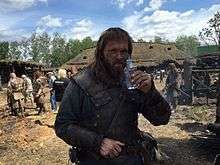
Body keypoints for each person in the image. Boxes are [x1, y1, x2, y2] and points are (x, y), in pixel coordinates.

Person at [55, 27, 171, 165]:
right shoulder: (80, 83)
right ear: (101, 53)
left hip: (132, 160)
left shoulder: (133, 80)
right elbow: (62, 125)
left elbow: (162, 119)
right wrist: (98, 142)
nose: (119, 56)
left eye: (124, 51)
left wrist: (151, 92)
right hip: (94, 161)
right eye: (113, 51)